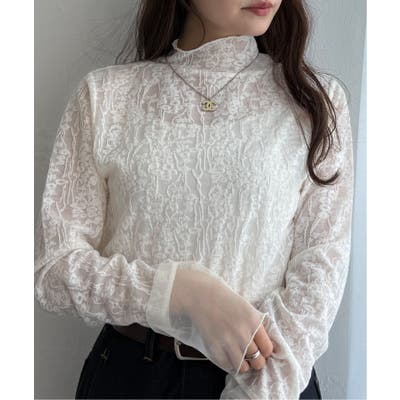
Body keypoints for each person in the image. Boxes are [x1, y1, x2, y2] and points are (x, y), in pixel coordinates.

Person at [34, 0, 354, 399]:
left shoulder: (314, 102)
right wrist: (178, 295)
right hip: (132, 377)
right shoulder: (105, 97)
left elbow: (319, 273)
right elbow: (54, 270)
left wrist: (257, 392)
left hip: (269, 378)